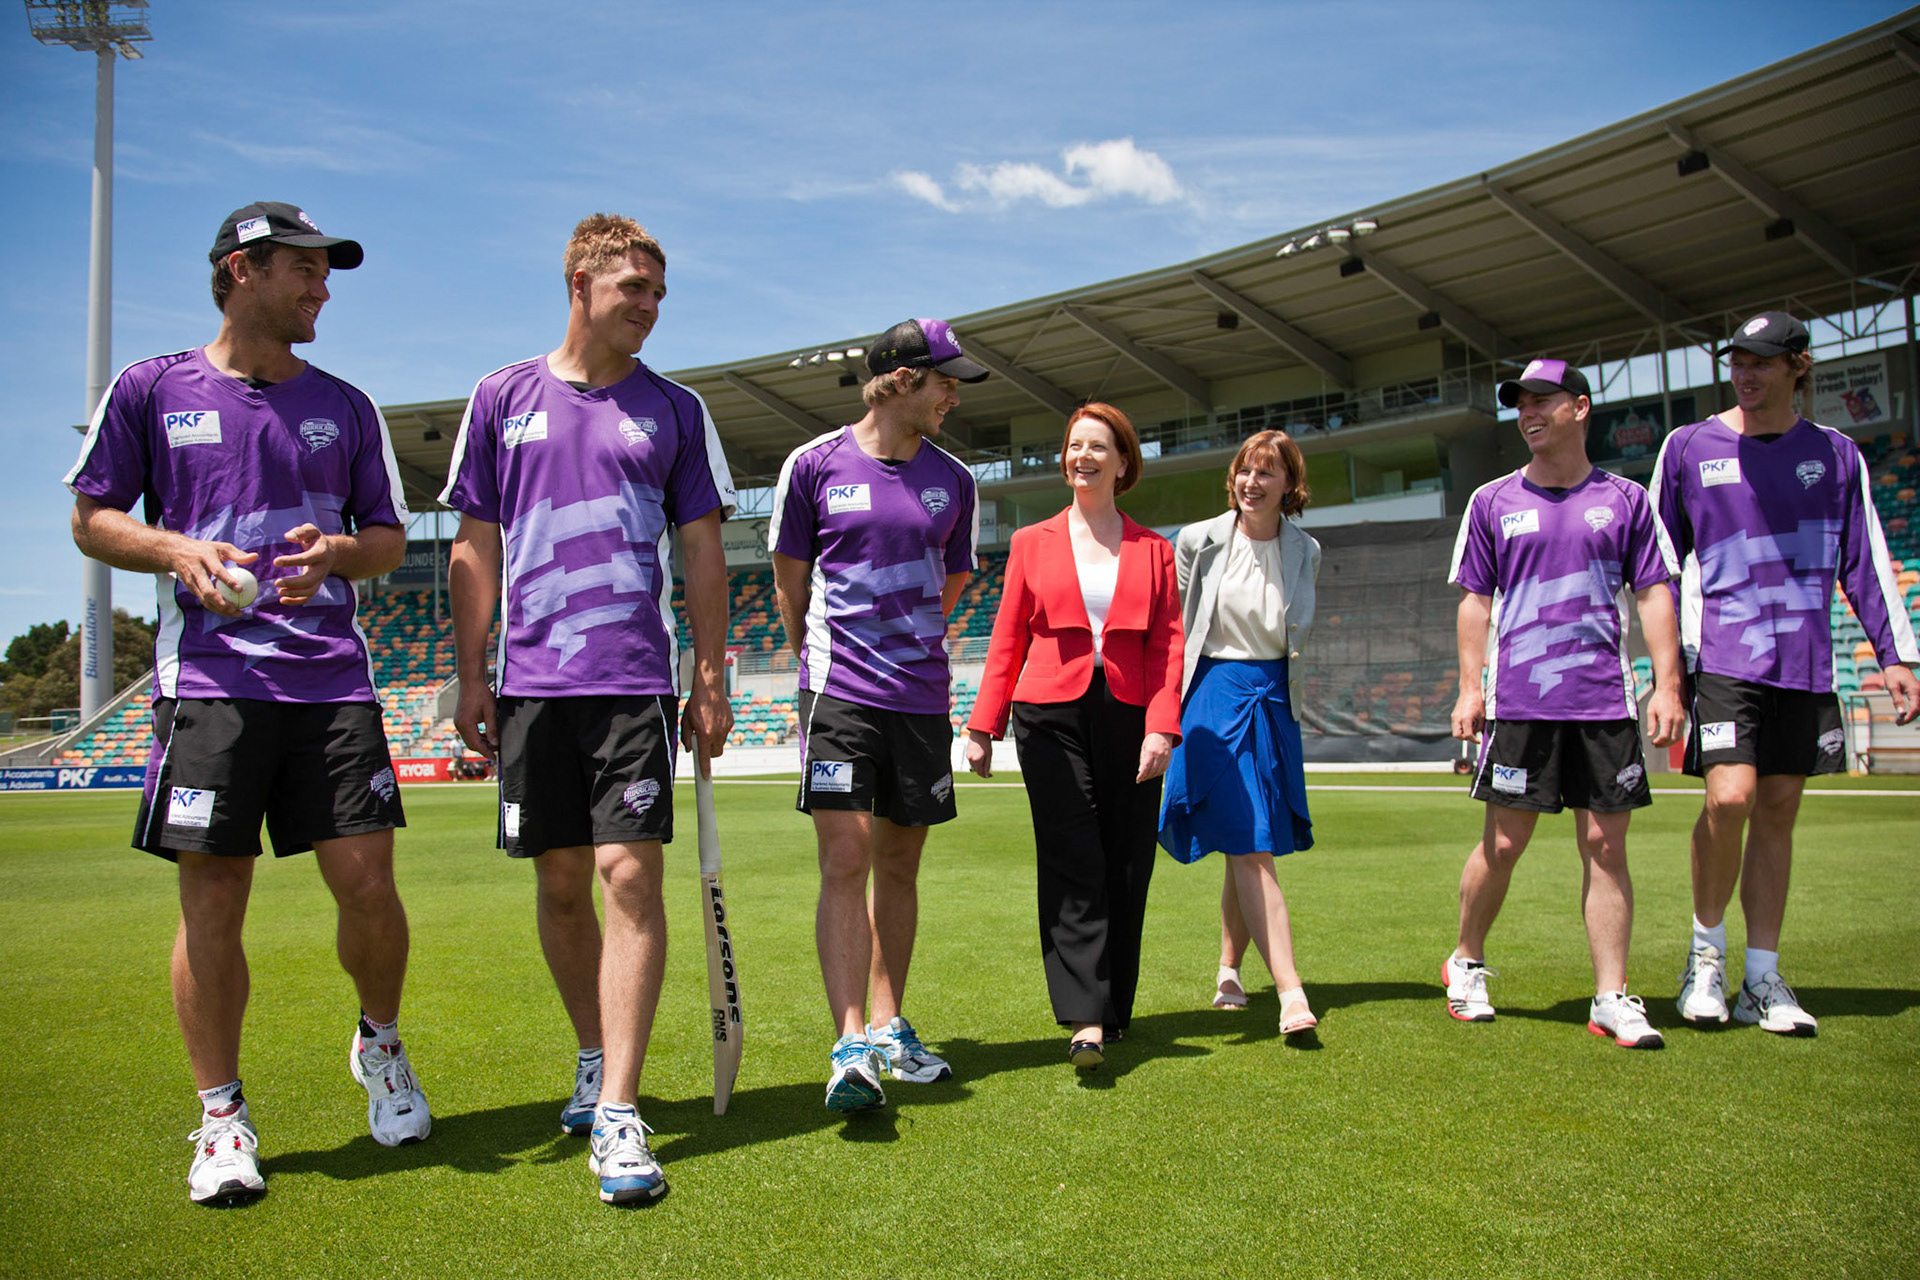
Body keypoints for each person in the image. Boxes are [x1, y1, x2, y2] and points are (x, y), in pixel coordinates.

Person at [64, 201, 427, 1207]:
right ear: (242, 271)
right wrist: (175, 548)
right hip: (212, 684)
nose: (322, 289)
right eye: (305, 270)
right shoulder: (151, 390)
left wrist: (338, 556)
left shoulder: (347, 406)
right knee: (214, 895)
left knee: (367, 882)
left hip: (331, 680)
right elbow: (93, 518)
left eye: (325, 272)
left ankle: (381, 1043)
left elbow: (387, 541)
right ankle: (222, 1114)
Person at [442, 213, 734, 1203]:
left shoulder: (675, 410)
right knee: (562, 882)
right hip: (529, 685)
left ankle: (619, 1103)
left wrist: (710, 676)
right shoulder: (500, 397)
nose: (650, 307)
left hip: (630, 684)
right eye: (633, 290)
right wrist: (468, 672)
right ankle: (588, 1050)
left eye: (659, 292)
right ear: (580, 283)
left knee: (627, 875)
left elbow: (700, 548)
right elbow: (474, 544)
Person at [1651, 311, 1919, 1037]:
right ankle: (1705, 957)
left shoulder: (1837, 455)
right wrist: (1665, 675)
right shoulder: (1686, 448)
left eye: (1762, 361)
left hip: (1803, 664)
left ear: (1798, 365)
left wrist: (1895, 656)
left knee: (1777, 811)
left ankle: (1761, 978)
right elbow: (1657, 571)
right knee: (1729, 799)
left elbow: (1865, 559)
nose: (1746, 373)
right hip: (1723, 659)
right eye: (1738, 360)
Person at [770, 318, 982, 1110]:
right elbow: (791, 583)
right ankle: (850, 1041)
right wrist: (818, 663)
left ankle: (892, 1026)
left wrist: (907, 639)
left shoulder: (954, 480)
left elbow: (953, 580)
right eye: (944, 381)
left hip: (920, 698)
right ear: (899, 379)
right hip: (837, 693)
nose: (953, 397)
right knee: (846, 859)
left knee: (899, 865)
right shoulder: (813, 465)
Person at [1444, 359, 1685, 1048]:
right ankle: (1465, 961)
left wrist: (1667, 684)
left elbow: (1653, 593)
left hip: (1604, 704)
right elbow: (1475, 601)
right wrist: (1470, 687)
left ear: (1580, 407)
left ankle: (1611, 996)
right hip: (1520, 703)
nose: (1528, 412)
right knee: (1506, 841)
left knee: (1606, 846)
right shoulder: (1492, 501)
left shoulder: (1628, 499)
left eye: (1542, 400)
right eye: (1520, 403)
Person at [963, 403, 1184, 1069]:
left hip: (1131, 715)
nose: (1081, 457)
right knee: (1073, 857)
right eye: (1073, 446)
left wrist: (1162, 728)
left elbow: (1169, 647)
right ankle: (1084, 1016)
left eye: (1097, 447)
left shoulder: (1156, 550)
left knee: (1125, 861)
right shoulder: (1031, 542)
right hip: (1047, 716)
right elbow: (1007, 638)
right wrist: (982, 725)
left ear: (1123, 462)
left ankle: (1114, 1009)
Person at [1158, 429, 1322, 1037]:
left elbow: (1295, 638)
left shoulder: (1308, 549)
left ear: (1289, 484)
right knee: (1252, 845)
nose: (1252, 483)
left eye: (1267, 472)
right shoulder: (1197, 540)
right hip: (1212, 698)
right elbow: (1174, 630)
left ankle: (1229, 969)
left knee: (1242, 844)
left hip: (1275, 699)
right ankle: (1291, 992)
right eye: (1244, 472)